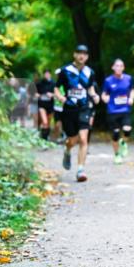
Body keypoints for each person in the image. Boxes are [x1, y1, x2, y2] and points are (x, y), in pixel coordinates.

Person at [54, 45, 99, 182]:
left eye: (85, 54)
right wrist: (60, 97)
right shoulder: (65, 71)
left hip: (84, 107)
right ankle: (67, 151)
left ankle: (80, 170)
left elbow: (90, 87)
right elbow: (56, 88)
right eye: (79, 53)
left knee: (83, 139)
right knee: (72, 140)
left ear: (87, 57)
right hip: (69, 108)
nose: (82, 56)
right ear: (74, 54)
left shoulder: (90, 72)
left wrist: (95, 95)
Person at [102, 58, 134, 164]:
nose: (119, 68)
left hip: (125, 109)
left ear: (123, 68)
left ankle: (123, 142)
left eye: (121, 66)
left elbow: (132, 90)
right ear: (113, 67)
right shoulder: (108, 81)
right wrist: (105, 99)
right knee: (115, 134)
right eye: (117, 66)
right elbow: (104, 94)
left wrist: (131, 98)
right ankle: (117, 155)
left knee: (127, 130)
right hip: (113, 111)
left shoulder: (128, 78)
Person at [35, 70, 56, 141]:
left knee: (48, 123)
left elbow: (58, 94)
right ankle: (44, 139)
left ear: (50, 75)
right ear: (43, 75)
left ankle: (45, 137)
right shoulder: (39, 83)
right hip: (41, 105)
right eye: (45, 74)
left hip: (50, 105)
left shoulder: (54, 84)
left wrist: (52, 95)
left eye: (48, 74)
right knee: (45, 122)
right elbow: (34, 92)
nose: (46, 75)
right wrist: (37, 95)